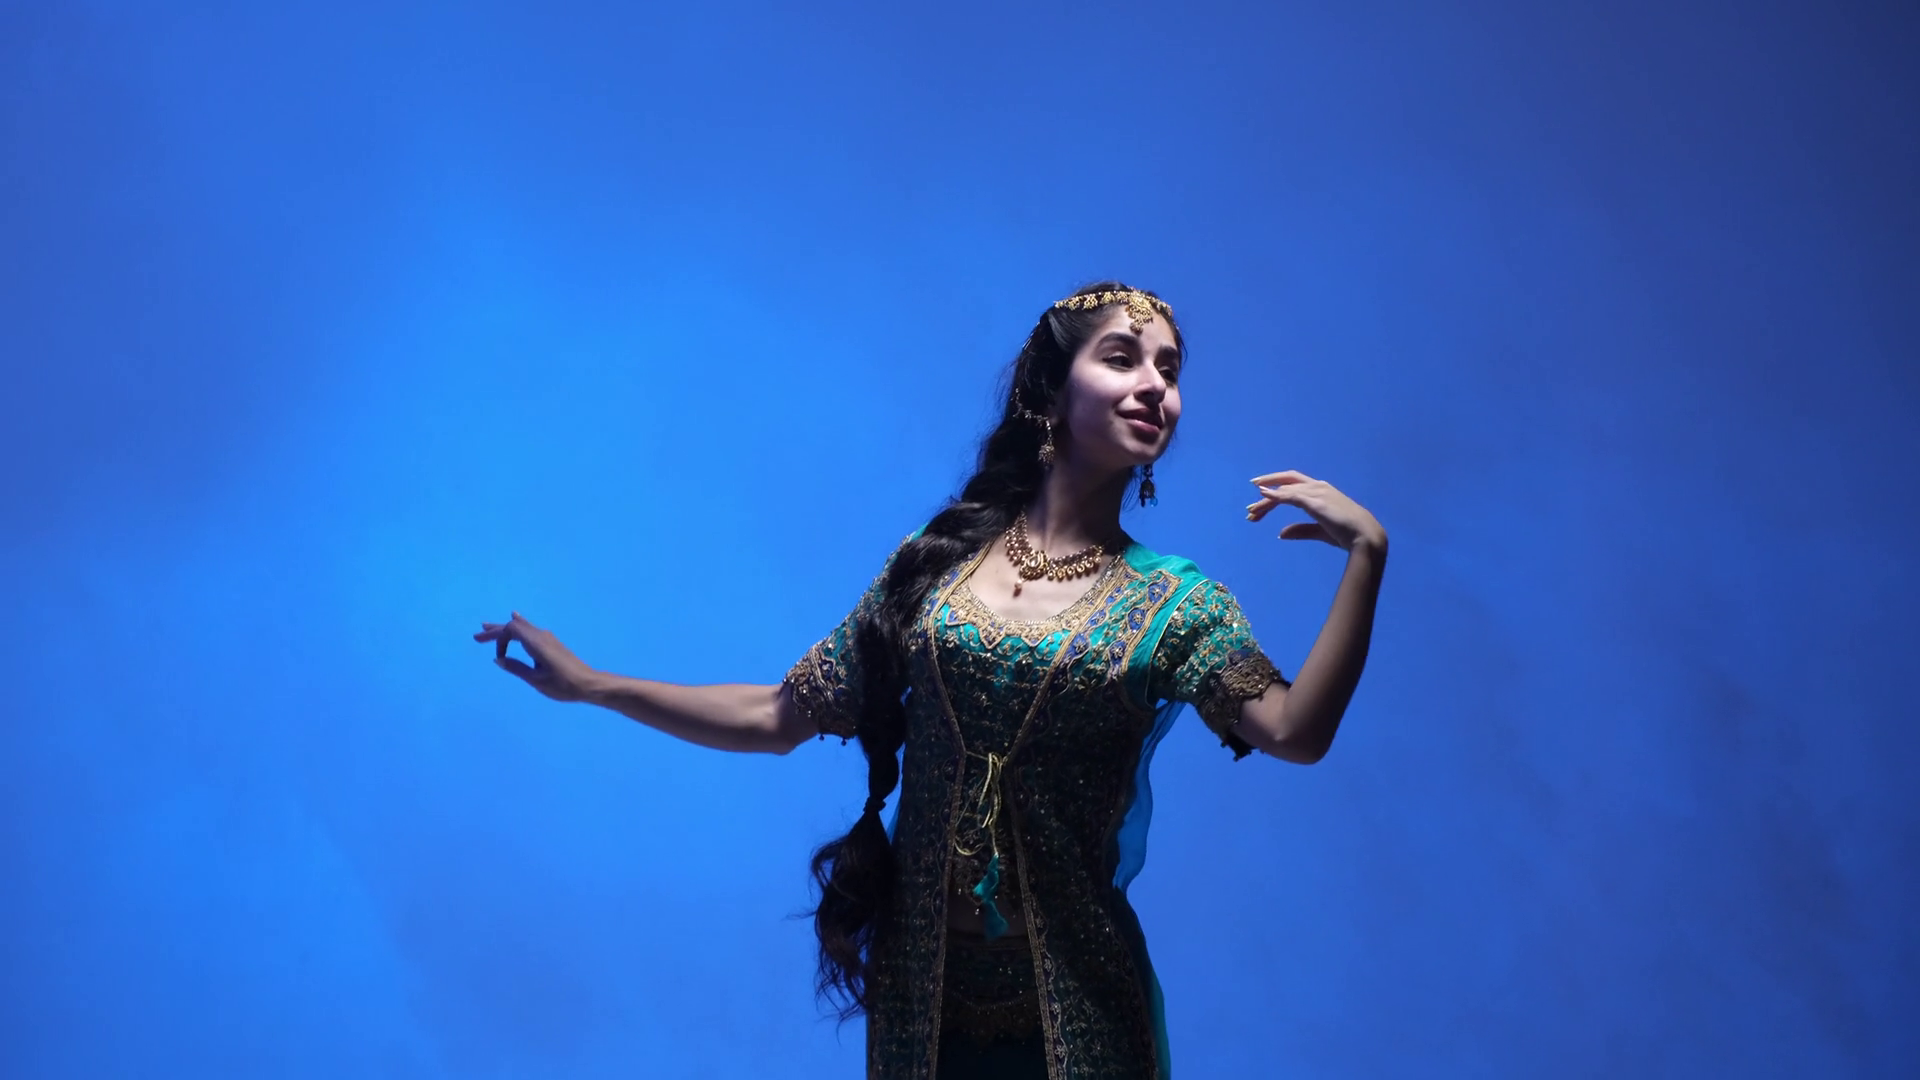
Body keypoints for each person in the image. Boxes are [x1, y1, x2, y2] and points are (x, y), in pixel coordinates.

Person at [474, 283, 1388, 1079]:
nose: (1157, 386)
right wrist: (594, 685)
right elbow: (777, 715)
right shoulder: (936, 568)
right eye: (1123, 358)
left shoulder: (1174, 605)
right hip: (924, 1011)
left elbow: (1295, 732)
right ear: (1050, 392)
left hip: (1080, 1021)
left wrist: (1367, 557)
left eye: (1171, 370)